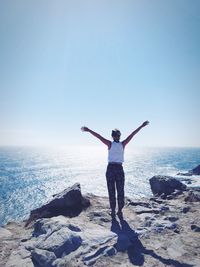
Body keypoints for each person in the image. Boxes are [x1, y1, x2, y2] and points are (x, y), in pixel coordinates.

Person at [81, 121, 149, 219]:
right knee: (120, 190)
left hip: (111, 168)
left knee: (111, 190)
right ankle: (119, 211)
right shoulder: (122, 144)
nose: (117, 137)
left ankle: (114, 211)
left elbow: (99, 136)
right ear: (119, 136)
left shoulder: (110, 144)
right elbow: (132, 134)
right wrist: (141, 126)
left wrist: (88, 130)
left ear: (112, 136)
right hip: (119, 168)